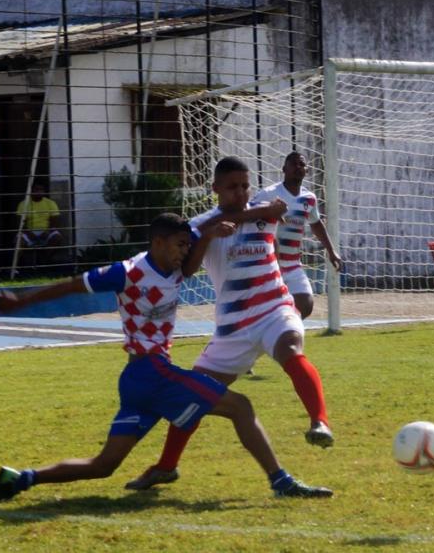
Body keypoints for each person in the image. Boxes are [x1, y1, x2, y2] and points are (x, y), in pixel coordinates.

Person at [0, 213, 332, 503]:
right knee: (241, 407)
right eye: (180, 245)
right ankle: (281, 482)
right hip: (152, 372)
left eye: (187, 245)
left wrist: (218, 230)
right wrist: (21, 301)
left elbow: (207, 230)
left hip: (139, 381)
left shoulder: (176, 266)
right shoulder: (128, 271)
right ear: (159, 242)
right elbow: (72, 285)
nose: (185, 252)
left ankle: (20, 478)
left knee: (104, 465)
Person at [125, 157, 333, 492]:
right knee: (193, 397)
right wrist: (209, 236)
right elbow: (187, 270)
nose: (241, 192)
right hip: (232, 328)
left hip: (274, 309)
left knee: (291, 349)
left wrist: (266, 211)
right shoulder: (201, 226)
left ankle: (319, 422)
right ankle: (166, 466)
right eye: (232, 187)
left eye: (245, 186)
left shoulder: (265, 213)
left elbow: (273, 213)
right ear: (215, 189)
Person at [252, 152, 342, 320]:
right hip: (270, 263)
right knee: (267, 309)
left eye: (302, 164)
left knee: (305, 305)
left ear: (306, 170)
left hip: (293, 264)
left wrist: (331, 251)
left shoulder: (309, 198)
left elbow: (316, 223)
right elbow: (250, 215)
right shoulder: (269, 194)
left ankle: (279, 328)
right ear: (284, 169)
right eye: (294, 164)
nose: (298, 167)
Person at [16, 181, 64, 265]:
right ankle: (18, 265)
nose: (39, 192)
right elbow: (19, 222)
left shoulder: (50, 203)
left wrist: (48, 231)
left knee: (58, 238)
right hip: (29, 232)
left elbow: (55, 220)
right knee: (18, 242)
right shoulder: (23, 204)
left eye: (41, 189)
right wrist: (28, 233)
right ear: (31, 190)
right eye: (36, 189)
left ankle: (43, 262)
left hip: (46, 231)